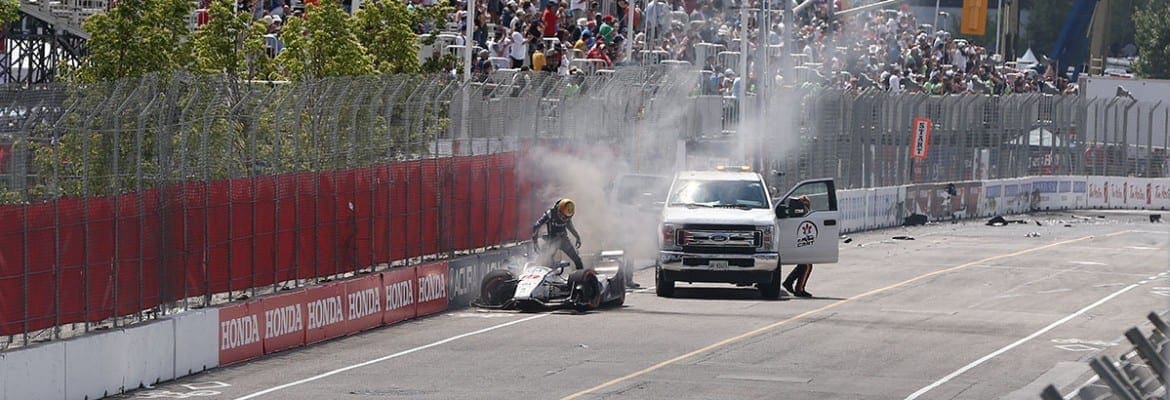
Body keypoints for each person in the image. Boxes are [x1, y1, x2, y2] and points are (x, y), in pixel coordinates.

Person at [531, 198, 585, 270]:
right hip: (551, 240)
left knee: (577, 260)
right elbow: (536, 226)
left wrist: (577, 237)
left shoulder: (567, 214)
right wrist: (535, 241)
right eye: (563, 216)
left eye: (567, 217)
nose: (565, 219)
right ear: (559, 210)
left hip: (563, 240)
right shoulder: (550, 214)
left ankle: (581, 273)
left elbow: (570, 227)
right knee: (545, 261)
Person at [783, 195, 814, 298]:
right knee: (807, 265)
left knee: (803, 264)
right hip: (797, 242)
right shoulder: (800, 216)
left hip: (801, 242)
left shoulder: (802, 215)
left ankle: (789, 282)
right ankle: (799, 289)